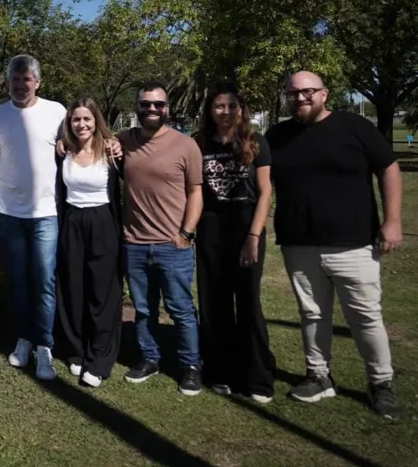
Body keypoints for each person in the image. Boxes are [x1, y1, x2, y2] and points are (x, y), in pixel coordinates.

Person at [267, 71, 403, 420]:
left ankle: (381, 383)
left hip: (353, 244)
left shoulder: (354, 127)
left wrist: (392, 221)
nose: (300, 98)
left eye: (307, 92)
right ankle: (319, 376)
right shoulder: (277, 136)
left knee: (365, 317)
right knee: (312, 314)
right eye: (293, 93)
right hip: (299, 244)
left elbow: (388, 168)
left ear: (324, 94)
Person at [118, 81, 204, 396]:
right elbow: (89, 140)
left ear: (167, 108)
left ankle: (191, 366)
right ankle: (150, 358)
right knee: (143, 308)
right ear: (137, 107)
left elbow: (196, 192)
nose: (152, 109)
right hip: (135, 243)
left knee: (180, 307)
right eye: (145, 104)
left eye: (158, 104)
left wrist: (185, 233)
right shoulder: (124, 141)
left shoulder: (185, 145)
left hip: (173, 244)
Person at [194, 82, 276, 403]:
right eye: (218, 106)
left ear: (240, 109)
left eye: (231, 106)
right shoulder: (200, 144)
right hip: (211, 233)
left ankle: (257, 377)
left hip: (246, 232)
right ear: (210, 111)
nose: (225, 112)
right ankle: (219, 370)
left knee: (248, 303)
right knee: (214, 304)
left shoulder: (256, 143)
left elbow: (266, 192)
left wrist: (254, 236)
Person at [0, 54, 67, 381]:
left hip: (46, 212)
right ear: (8, 83)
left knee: (44, 282)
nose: (21, 85)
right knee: (18, 282)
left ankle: (44, 346)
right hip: (8, 212)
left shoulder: (56, 112)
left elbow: (77, 142)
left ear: (38, 82)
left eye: (27, 80)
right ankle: (23, 339)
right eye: (15, 80)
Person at [55, 98, 124, 388]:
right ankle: (75, 350)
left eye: (87, 119)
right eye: (76, 120)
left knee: (102, 291)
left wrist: (117, 145)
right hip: (72, 222)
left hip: (103, 222)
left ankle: (100, 356)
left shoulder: (111, 152)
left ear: (97, 121)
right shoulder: (65, 151)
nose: (81, 124)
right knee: (72, 288)